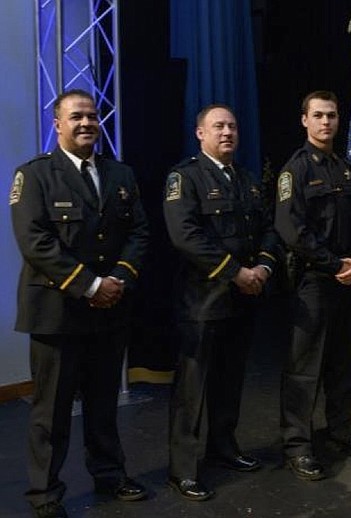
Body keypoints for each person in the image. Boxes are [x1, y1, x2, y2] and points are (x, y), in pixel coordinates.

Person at [9, 89, 149, 518]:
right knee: (51, 412)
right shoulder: (34, 175)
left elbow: (139, 233)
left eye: (92, 116)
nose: (87, 123)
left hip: (109, 310)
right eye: (76, 117)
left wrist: (119, 279)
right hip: (58, 312)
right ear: (57, 124)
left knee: (104, 403)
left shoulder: (119, 174)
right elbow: (35, 241)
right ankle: (45, 493)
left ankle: (109, 474)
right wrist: (90, 285)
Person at [163, 104, 279, 500]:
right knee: (192, 389)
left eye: (232, 125)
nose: (227, 132)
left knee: (229, 382)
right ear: (200, 133)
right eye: (218, 126)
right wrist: (237, 273)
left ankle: (224, 448)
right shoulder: (186, 177)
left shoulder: (246, 181)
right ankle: (183, 468)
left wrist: (262, 268)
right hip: (203, 300)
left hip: (243, 300)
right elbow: (186, 236)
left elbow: (267, 230)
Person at [274, 90, 351, 481]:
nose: (325, 122)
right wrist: (334, 264)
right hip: (313, 281)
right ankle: (297, 445)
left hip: (347, 279)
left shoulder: (349, 170)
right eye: (317, 115)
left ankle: (341, 429)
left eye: (331, 116)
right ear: (305, 120)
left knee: (341, 362)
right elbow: (290, 229)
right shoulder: (294, 171)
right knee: (304, 368)